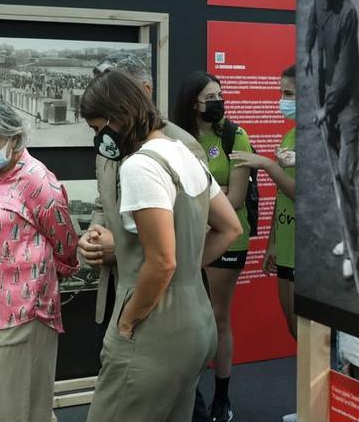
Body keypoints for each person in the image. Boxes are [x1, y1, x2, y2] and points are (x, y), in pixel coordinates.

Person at [82, 70, 242, 421]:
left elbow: (162, 262)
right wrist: (189, 266)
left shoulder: (141, 165)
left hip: (153, 329)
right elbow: (230, 227)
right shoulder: (184, 153)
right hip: (196, 321)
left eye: (98, 128)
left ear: (118, 116)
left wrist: (126, 323)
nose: (98, 138)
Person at [0, 98, 79, 422]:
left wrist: (41, 281)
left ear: (15, 139)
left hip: (20, 310)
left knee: (17, 408)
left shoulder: (38, 180)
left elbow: (65, 241)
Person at [172, 71, 253, 422]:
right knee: (187, 315)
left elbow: (234, 198)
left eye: (220, 94)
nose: (218, 101)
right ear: (193, 101)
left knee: (218, 316)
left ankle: (222, 394)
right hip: (187, 236)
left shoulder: (236, 136)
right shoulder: (176, 138)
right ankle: (190, 392)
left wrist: (198, 210)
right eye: (211, 95)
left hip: (226, 236)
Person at [231, 65, 298, 422]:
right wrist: (271, 242)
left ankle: (322, 404)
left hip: (308, 250)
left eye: (289, 94)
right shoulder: (290, 136)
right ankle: (310, 401)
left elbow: (301, 193)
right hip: (286, 243)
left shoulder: (319, 137)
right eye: (282, 93)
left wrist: (265, 165)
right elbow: (281, 199)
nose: (282, 101)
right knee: (294, 328)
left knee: (313, 333)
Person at [304, 0, 359, 279]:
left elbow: (345, 69)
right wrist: (307, 53)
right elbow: (312, 24)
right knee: (336, 176)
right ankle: (348, 233)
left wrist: (327, 108)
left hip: (347, 105)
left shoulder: (348, 12)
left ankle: (352, 250)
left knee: (344, 175)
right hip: (328, 97)